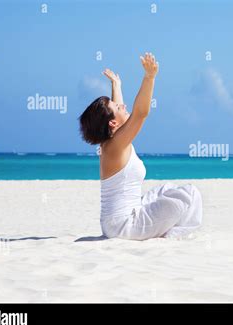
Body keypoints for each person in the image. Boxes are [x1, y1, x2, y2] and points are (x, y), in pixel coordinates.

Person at [78, 52, 203, 240]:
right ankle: (172, 236)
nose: (123, 105)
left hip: (122, 219)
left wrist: (116, 85)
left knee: (166, 190)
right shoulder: (115, 146)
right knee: (189, 196)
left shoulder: (113, 140)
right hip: (124, 226)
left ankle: (165, 231)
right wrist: (149, 77)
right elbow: (140, 113)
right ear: (112, 123)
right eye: (118, 107)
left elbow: (119, 111)